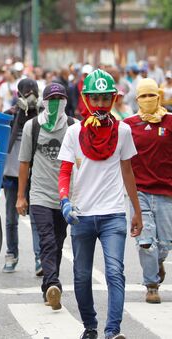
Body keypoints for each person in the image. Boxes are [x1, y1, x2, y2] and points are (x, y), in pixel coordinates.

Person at [57, 69, 143, 339]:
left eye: (107, 98)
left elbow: (127, 171)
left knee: (115, 272)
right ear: (86, 99)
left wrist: (136, 210)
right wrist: (64, 202)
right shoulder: (73, 132)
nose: (102, 105)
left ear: (114, 99)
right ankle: (90, 327)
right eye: (96, 99)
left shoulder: (124, 131)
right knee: (81, 276)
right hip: (81, 216)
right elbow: (65, 171)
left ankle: (112, 331)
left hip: (113, 214)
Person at [16, 82, 76, 311]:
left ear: (65, 102)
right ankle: (53, 283)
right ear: (43, 102)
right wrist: (21, 196)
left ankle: (49, 287)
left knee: (58, 241)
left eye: (60, 99)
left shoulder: (72, 126)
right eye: (51, 99)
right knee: (47, 239)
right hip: (39, 193)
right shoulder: (33, 126)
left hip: (64, 196)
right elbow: (24, 163)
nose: (55, 103)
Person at [124, 78, 171, 304]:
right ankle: (151, 285)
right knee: (146, 241)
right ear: (137, 100)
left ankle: (158, 263)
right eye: (143, 96)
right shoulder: (129, 125)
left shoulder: (170, 122)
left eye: (151, 95)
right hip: (139, 192)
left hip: (166, 193)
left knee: (164, 245)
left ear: (159, 96)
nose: (148, 100)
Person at [2, 78, 42, 275]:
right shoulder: (9, 116)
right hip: (11, 174)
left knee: (36, 218)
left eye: (32, 91)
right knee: (10, 219)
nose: (30, 95)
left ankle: (39, 257)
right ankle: (11, 253)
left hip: (35, 174)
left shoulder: (42, 118)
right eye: (26, 92)